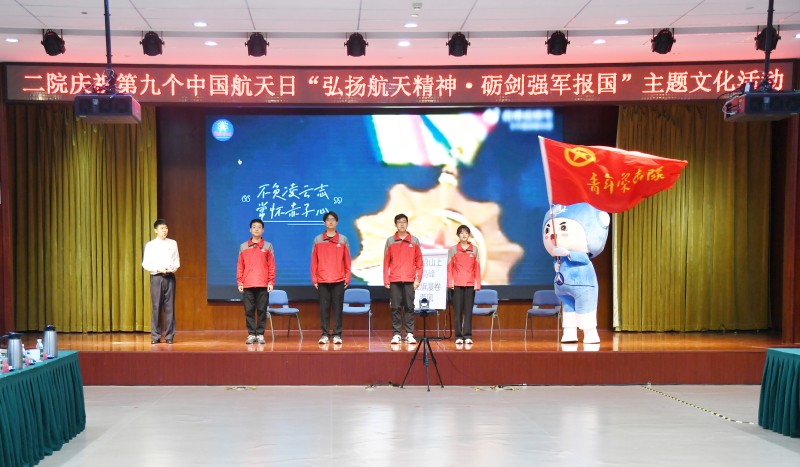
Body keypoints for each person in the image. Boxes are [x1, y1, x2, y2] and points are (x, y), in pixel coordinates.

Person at [311, 211, 351, 345]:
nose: (330, 221)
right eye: (328, 219)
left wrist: (347, 277)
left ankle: (337, 335)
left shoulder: (343, 239)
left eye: (333, 219)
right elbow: (314, 262)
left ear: (337, 222)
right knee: (324, 309)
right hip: (322, 280)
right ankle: (325, 334)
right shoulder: (317, 239)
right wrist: (314, 279)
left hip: (339, 279)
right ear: (324, 223)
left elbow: (347, 261)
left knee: (338, 308)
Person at [383, 213, 423, 345]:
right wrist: (386, 279)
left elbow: (419, 262)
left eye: (404, 222)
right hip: (395, 279)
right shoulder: (390, 241)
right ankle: (397, 334)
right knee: (395, 307)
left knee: (409, 307)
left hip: (409, 279)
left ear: (407, 224)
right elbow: (386, 262)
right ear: (395, 224)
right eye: (399, 222)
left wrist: (418, 280)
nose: (402, 224)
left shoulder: (414, 241)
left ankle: (410, 334)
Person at [237, 218, 276, 344]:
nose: (256, 229)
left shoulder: (268, 246)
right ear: (250, 230)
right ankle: (251, 334)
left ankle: (260, 334)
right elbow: (240, 266)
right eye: (254, 227)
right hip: (248, 284)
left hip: (263, 284)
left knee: (262, 310)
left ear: (263, 230)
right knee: (249, 310)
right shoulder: (243, 246)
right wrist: (240, 282)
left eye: (259, 227)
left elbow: (271, 266)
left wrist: (271, 282)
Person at [142, 218, 180, 344]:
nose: (165, 230)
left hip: (170, 277)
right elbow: (145, 264)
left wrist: (175, 267)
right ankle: (155, 336)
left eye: (166, 228)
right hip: (157, 277)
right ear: (155, 230)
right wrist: (158, 268)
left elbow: (176, 260)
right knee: (156, 307)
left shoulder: (173, 243)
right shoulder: (150, 245)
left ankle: (169, 337)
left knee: (170, 308)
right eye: (162, 228)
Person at [447, 225, 481, 345]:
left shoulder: (474, 249)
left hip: (470, 284)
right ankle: (458, 336)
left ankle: (467, 335)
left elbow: (477, 268)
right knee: (457, 311)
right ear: (458, 235)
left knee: (468, 311)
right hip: (456, 284)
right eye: (461, 233)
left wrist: (477, 283)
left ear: (469, 235)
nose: (464, 235)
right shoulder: (453, 249)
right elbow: (449, 267)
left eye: (466, 233)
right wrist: (450, 282)